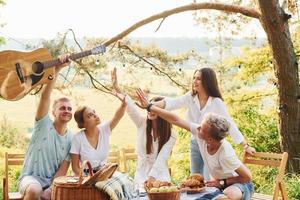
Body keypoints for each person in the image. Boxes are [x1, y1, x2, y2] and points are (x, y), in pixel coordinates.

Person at [136, 89, 254, 200]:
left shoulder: (225, 153)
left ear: (210, 139)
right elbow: (176, 120)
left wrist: (222, 182)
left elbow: (247, 177)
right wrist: (150, 107)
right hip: (218, 185)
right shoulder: (201, 135)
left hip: (240, 184)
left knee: (227, 195)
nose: (198, 129)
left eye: (201, 128)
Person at [154, 68, 255, 176]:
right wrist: (150, 105)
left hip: (211, 144)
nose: (194, 81)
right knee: (195, 177)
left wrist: (245, 145)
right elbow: (172, 103)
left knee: (208, 180)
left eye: (199, 79)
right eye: (194, 78)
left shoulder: (216, 102)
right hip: (195, 142)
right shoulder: (190, 97)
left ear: (207, 82)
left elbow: (230, 125)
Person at [19, 55, 73, 200]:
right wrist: (57, 69)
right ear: (53, 112)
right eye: (62, 108)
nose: (66, 111)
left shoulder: (72, 138)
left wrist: (50, 189)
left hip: (53, 181)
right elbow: (45, 97)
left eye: (69, 108)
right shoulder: (43, 124)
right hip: (30, 179)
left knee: (54, 195)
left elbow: (63, 170)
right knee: (35, 190)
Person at [111, 68, 176, 185]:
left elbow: (162, 158)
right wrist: (117, 88)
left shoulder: (171, 134)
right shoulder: (142, 123)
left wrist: (151, 178)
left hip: (160, 174)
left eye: (153, 108)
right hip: (141, 174)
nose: (150, 110)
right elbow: (130, 107)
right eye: (148, 107)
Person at [70, 92, 127, 175]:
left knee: (124, 180)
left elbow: (117, 116)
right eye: (90, 115)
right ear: (83, 124)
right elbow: (75, 168)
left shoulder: (104, 129)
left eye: (94, 112)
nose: (95, 115)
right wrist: (87, 181)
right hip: (86, 178)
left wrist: (123, 104)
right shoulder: (78, 138)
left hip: (104, 174)